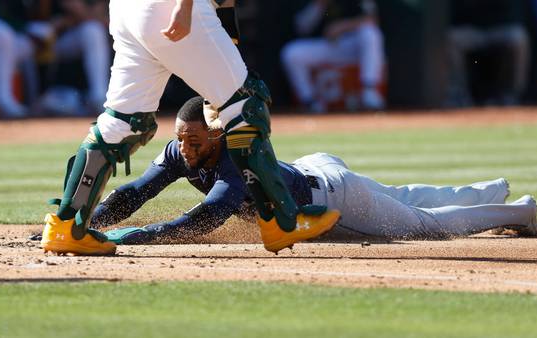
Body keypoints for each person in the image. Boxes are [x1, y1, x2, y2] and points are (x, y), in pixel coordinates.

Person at [41, 0, 340, 256]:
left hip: (127, 10)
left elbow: (226, 10)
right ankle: (282, 221)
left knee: (122, 122)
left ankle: (67, 226)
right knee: (247, 106)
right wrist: (183, 7)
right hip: (174, 7)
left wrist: (222, 78)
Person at [94, 96, 537, 246]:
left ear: (215, 136)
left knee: (424, 227)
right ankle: (492, 189)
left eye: (195, 140)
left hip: (331, 198)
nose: (185, 149)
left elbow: (205, 219)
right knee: (402, 197)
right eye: (181, 138)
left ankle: (519, 211)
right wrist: (90, 222)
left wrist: (125, 237)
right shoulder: (181, 150)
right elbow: (136, 192)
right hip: (315, 169)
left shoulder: (233, 157)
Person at [280, 0, 386, 113]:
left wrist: (343, 26)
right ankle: (310, 102)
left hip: (353, 46)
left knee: (370, 33)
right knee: (291, 53)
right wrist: (319, 5)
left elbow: (372, 20)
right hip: (326, 46)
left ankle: (369, 91)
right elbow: (302, 27)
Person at [446, 0, 530, 107]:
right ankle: (458, 95)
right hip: (471, 28)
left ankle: (513, 94)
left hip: (499, 27)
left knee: (518, 37)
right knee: (452, 38)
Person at [0, 2, 38, 119]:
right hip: (2, 32)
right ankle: (2, 100)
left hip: (12, 32)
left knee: (27, 41)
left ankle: (32, 101)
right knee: (2, 35)